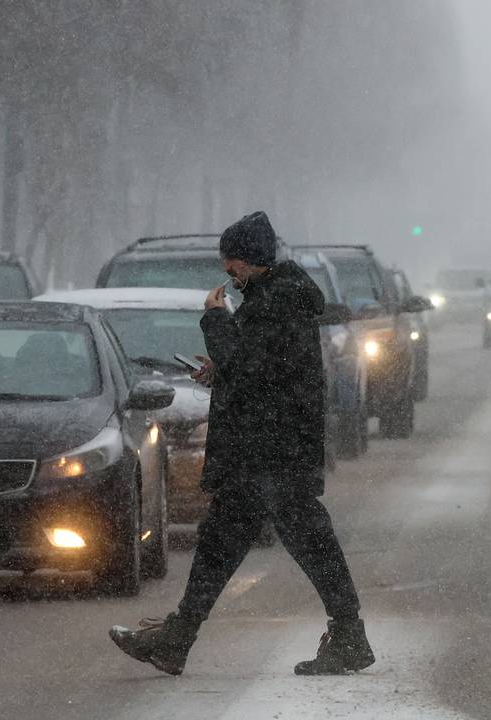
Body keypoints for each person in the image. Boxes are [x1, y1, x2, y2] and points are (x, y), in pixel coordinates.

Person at [109, 211, 373, 677]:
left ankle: (347, 635)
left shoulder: (278, 301)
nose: (227, 274)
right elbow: (259, 370)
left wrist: (214, 321)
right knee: (228, 545)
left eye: (232, 265)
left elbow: (253, 371)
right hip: (264, 451)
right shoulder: (275, 297)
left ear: (250, 260)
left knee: (305, 545)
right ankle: (178, 639)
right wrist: (218, 371)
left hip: (271, 452)